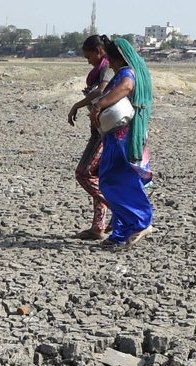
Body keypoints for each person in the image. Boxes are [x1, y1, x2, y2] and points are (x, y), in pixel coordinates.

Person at [89, 36, 153, 246]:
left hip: (122, 138)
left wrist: (99, 105)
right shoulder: (127, 71)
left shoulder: (127, 73)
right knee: (114, 180)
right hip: (116, 136)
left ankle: (140, 222)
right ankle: (122, 232)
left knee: (115, 181)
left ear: (117, 59)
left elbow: (125, 87)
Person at [65, 35, 112, 241]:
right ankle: (98, 227)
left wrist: (78, 104)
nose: (88, 60)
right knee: (97, 176)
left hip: (105, 131)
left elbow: (102, 90)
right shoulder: (100, 69)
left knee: (83, 173)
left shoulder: (108, 68)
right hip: (98, 129)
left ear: (99, 51)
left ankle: (119, 210)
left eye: (89, 56)